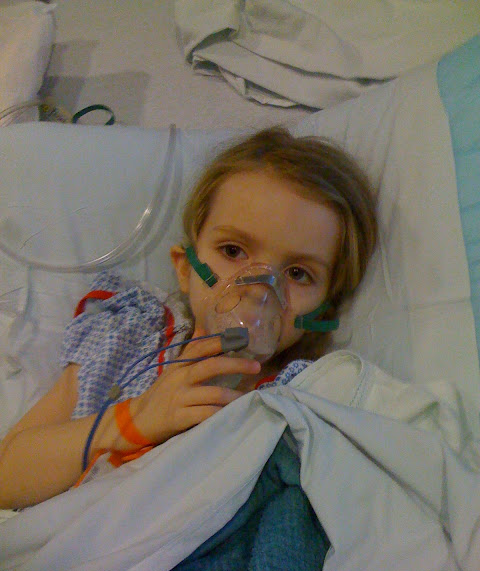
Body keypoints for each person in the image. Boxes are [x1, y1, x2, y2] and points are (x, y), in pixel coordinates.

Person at [0, 126, 377, 509]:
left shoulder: (307, 402)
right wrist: (133, 420)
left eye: (298, 273)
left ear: (325, 308)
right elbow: (6, 475)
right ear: (185, 268)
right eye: (233, 251)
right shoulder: (124, 339)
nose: (259, 288)